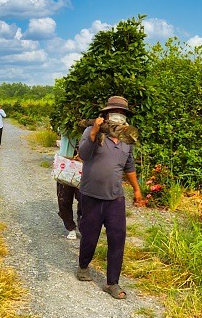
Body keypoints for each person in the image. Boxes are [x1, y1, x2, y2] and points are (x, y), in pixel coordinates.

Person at [75, 96, 143, 300]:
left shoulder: (126, 139)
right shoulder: (92, 132)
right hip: (91, 195)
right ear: (105, 115)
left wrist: (137, 191)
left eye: (121, 114)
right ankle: (83, 266)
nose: (118, 116)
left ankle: (112, 282)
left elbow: (129, 166)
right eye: (114, 113)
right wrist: (95, 131)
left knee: (117, 238)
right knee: (90, 235)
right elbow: (84, 155)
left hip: (115, 198)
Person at [57, 133, 82, 240]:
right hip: (66, 164)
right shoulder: (65, 127)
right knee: (64, 199)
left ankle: (83, 226)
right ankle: (70, 227)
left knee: (84, 199)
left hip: (84, 165)